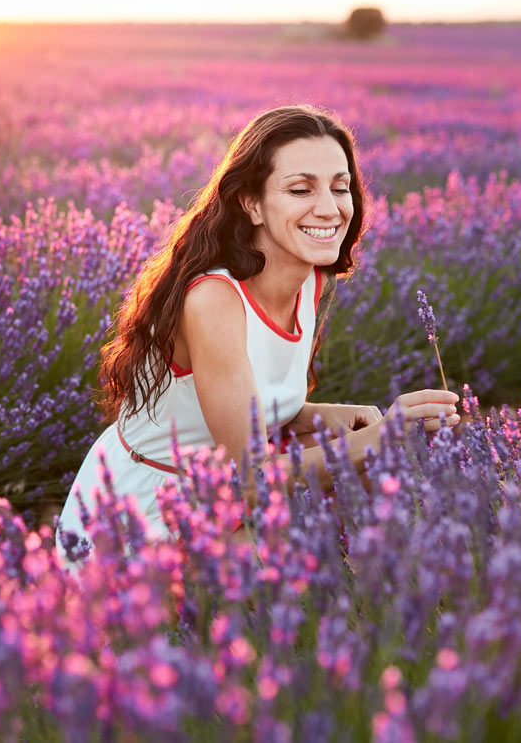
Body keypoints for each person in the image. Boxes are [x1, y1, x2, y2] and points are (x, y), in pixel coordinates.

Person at [55, 104, 459, 573]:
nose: (329, 208)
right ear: (251, 203)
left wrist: (322, 415)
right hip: (142, 513)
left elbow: (236, 402)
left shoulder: (310, 279)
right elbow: (249, 478)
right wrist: (381, 439)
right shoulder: (213, 301)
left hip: (219, 499)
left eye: (340, 186)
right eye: (300, 189)